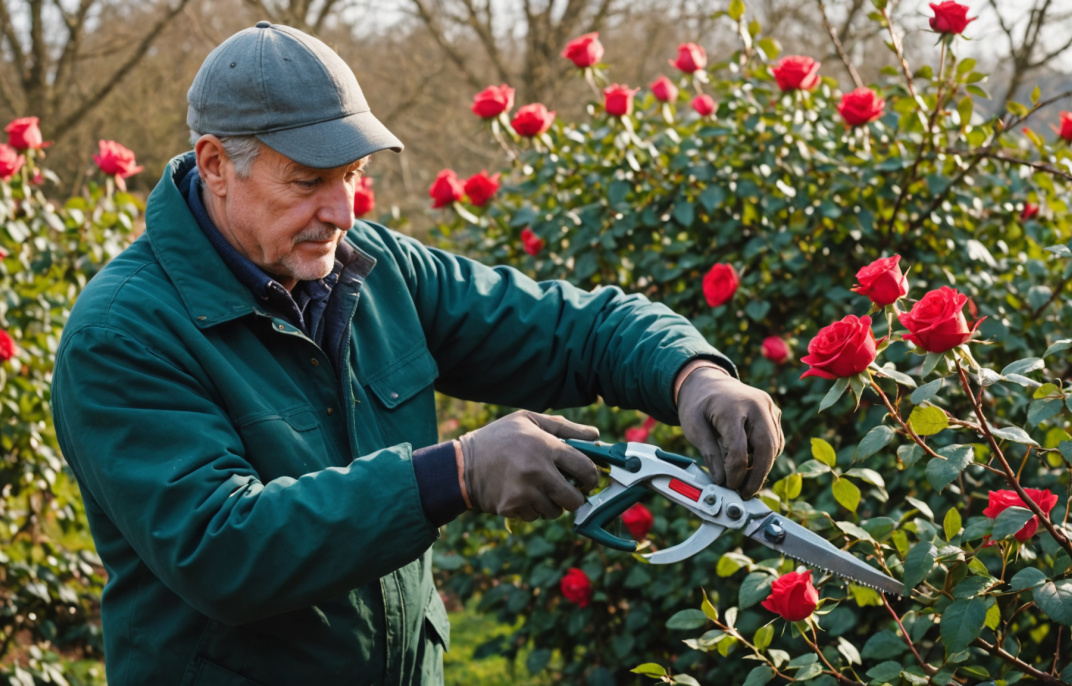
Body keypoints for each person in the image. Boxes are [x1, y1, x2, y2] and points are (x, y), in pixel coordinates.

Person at [51, 22, 783, 686]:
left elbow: (570, 328)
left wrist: (693, 374)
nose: (342, 212)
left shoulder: (371, 271)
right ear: (215, 164)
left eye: (353, 177)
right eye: (309, 182)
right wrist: (452, 475)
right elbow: (221, 548)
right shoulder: (124, 334)